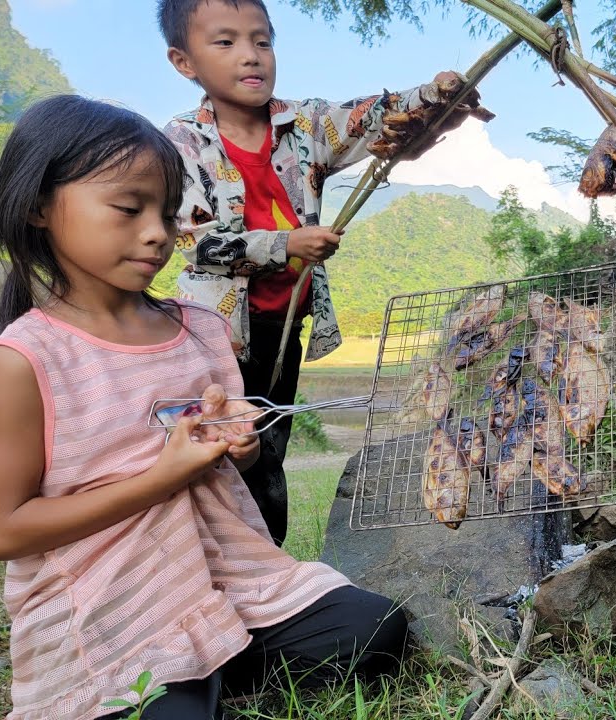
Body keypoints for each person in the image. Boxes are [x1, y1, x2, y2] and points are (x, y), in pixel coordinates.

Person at [0, 95, 408, 720]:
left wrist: (237, 448)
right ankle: (181, 675)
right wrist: (162, 478)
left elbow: (231, 465)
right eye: (129, 210)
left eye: (166, 211)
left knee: (374, 628)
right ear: (37, 209)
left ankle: (214, 660)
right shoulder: (27, 358)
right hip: (111, 598)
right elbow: (6, 529)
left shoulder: (199, 328)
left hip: (229, 577)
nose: (159, 232)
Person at [159, 0, 463, 544]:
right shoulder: (181, 143)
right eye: (225, 43)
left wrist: (435, 96)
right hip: (218, 337)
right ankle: (213, 558)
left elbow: (372, 115)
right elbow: (197, 244)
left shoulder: (305, 124)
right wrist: (286, 243)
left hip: (284, 328)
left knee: (269, 450)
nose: (250, 57)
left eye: (262, 41)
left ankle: (268, 560)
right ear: (185, 62)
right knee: (224, 449)